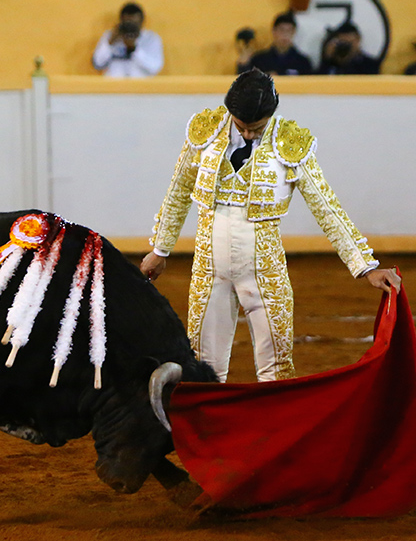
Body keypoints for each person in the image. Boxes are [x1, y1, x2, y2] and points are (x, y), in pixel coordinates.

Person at [140, 69, 400, 382]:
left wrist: (365, 266)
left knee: (276, 369)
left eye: (257, 128)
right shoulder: (205, 133)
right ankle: (207, 432)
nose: (249, 135)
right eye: (242, 126)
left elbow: (327, 208)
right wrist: (160, 249)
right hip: (210, 270)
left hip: (265, 271)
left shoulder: (289, 143)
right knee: (204, 369)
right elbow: (178, 191)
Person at [91, 2, 164, 78]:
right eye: (127, 23)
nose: (130, 28)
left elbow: (155, 68)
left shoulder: (151, 39)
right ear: (121, 21)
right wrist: (110, 43)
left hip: (140, 87)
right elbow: (97, 64)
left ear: (142, 21)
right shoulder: (110, 36)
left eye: (134, 24)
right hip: (113, 87)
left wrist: (133, 49)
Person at [236, 12, 314, 76]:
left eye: (289, 31)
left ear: (294, 33)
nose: (285, 35)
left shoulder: (303, 62)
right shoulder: (259, 60)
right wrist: (243, 65)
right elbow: (246, 84)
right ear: (274, 31)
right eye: (281, 30)